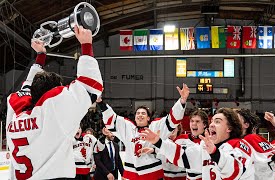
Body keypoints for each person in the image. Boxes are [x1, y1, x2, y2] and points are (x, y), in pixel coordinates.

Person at [6, 25, 103, 179]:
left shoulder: (15, 111)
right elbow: (91, 85)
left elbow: (28, 85)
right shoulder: (52, 113)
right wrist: (86, 44)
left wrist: (40, 56)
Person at [96, 84, 189, 179]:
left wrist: (182, 100)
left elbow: (172, 120)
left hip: (153, 174)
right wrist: (100, 102)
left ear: (148, 118)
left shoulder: (156, 126)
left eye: (143, 113)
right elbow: (111, 119)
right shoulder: (128, 128)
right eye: (138, 113)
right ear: (135, 117)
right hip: (132, 175)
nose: (140, 115)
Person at [140, 108, 249, 179]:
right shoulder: (205, 146)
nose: (211, 125)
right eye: (212, 121)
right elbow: (182, 156)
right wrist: (158, 142)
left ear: (229, 128)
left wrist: (215, 153)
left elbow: (235, 172)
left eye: (217, 122)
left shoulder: (239, 145)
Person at [167, 109, 209, 179]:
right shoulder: (180, 139)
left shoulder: (210, 141)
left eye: (197, 121)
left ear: (204, 124)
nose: (194, 123)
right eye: (192, 121)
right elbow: (170, 156)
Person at [235, 109, 274, 180]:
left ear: (246, 125)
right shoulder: (234, 141)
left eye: (235, 119)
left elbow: (273, 160)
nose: (232, 121)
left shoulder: (251, 138)